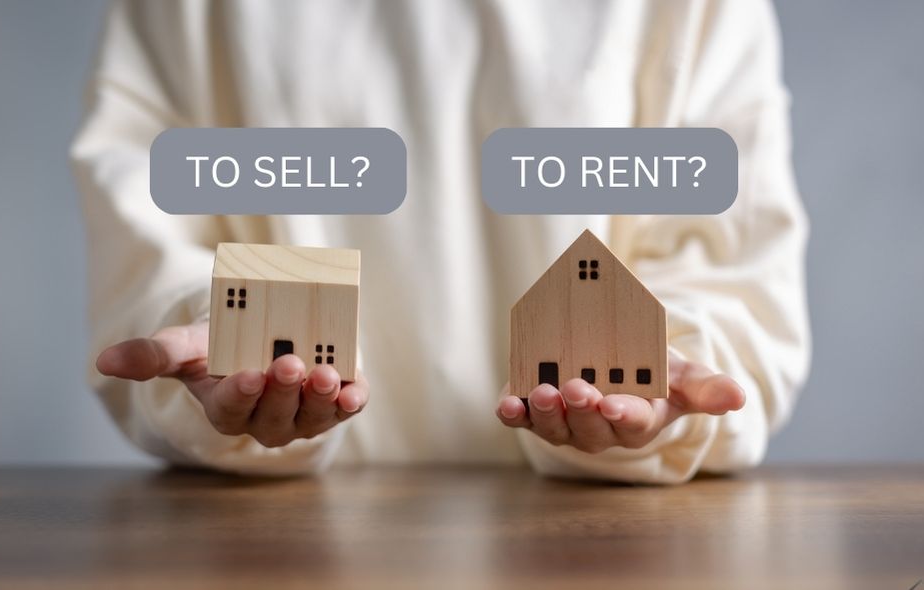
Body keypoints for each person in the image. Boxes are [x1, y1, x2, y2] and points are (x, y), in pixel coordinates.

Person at [75, 0, 809, 483]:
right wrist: (213, 326)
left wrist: (665, 369)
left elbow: (731, 261)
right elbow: (152, 221)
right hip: (280, 547)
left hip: (588, 548)